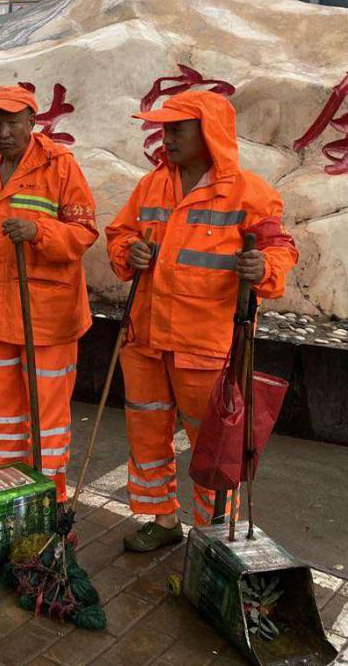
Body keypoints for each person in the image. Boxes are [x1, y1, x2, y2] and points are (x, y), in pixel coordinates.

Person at [105, 90, 298, 552]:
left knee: (213, 449)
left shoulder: (249, 192)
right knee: (147, 434)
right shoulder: (151, 185)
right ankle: (162, 518)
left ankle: (214, 536)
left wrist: (265, 269)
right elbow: (120, 234)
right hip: (146, 338)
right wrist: (126, 253)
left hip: (207, 345)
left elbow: (280, 248)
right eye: (164, 128)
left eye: (177, 129)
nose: (165, 137)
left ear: (208, 133)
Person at [0, 85, 98, 502]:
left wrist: (39, 231)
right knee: (6, 415)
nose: (3, 131)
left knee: (47, 417)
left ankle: (50, 498)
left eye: (12, 122)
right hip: (0, 313)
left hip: (48, 316)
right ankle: (11, 495)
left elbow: (84, 233)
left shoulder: (60, 166)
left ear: (32, 122)